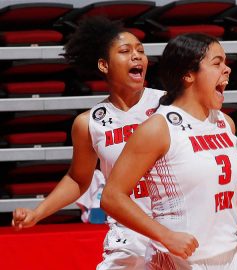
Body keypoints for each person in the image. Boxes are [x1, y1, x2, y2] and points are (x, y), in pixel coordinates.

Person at [11, 16, 165, 269]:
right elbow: (78, 179)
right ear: (104, 65)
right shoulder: (90, 122)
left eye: (141, 50)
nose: (137, 56)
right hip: (130, 234)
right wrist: (38, 213)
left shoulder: (168, 105)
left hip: (176, 224)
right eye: (126, 51)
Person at [101, 33, 237, 269]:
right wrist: (164, 235)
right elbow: (112, 197)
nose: (227, 70)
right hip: (179, 260)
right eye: (217, 63)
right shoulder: (158, 128)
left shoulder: (225, 122)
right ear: (188, 74)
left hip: (230, 255)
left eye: (225, 63)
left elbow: (217, 179)